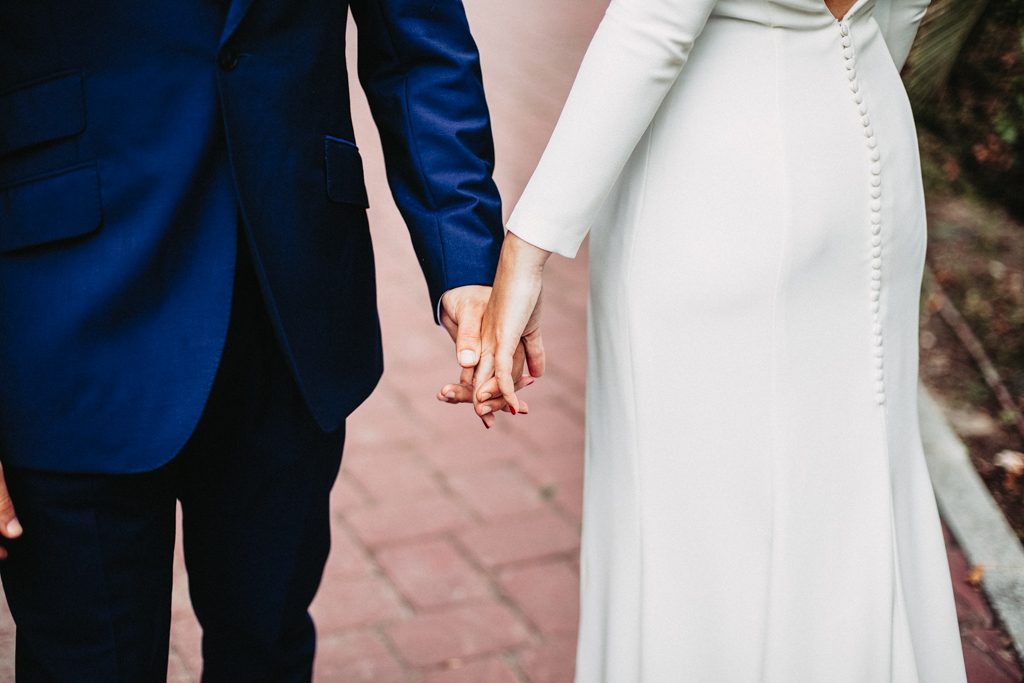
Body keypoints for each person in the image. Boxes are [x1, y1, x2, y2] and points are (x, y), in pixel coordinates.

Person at [0, 0, 515, 679]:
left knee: (267, 650)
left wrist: (465, 259)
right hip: (64, 314)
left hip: (288, 311)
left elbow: (417, 42)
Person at [465, 0, 968, 679]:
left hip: (719, 181)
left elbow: (655, 22)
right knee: (854, 489)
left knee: (695, 519)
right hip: (864, 154)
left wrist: (528, 247)